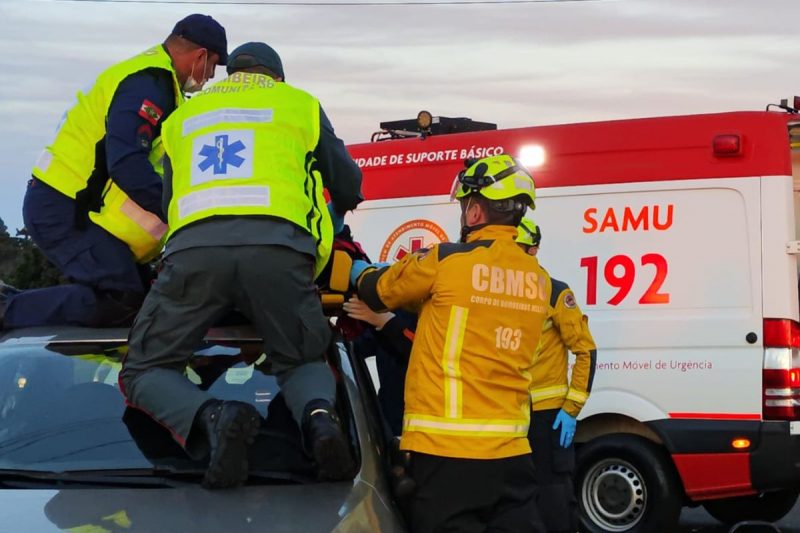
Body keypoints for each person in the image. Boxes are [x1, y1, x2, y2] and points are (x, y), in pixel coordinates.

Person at [119, 41, 362, 489]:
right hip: (280, 252)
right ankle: (319, 420)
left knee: (144, 369)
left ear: (233, 73)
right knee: (302, 358)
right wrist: (341, 212)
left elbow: (170, 201)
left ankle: (213, 416)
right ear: (277, 76)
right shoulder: (297, 103)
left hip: (194, 254)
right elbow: (347, 182)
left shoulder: (182, 117)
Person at [351, 154, 549, 533]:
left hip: (447, 453)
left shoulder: (446, 262)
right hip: (513, 454)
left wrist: (360, 270)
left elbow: (378, 292)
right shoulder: (537, 278)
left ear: (474, 211)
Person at [0, 14, 227, 330]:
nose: (210, 76)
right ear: (200, 56)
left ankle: (13, 305)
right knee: (121, 299)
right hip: (64, 207)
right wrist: (181, 211)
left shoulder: (159, 84)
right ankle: (6, 309)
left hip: (72, 208)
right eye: (213, 66)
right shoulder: (148, 83)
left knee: (145, 304)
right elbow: (127, 163)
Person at [517, 216, 597, 533]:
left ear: (534, 250)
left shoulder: (555, 293)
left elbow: (585, 350)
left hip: (547, 416)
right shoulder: (498, 294)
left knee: (554, 496)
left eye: (519, 249)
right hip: (508, 413)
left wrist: (571, 408)